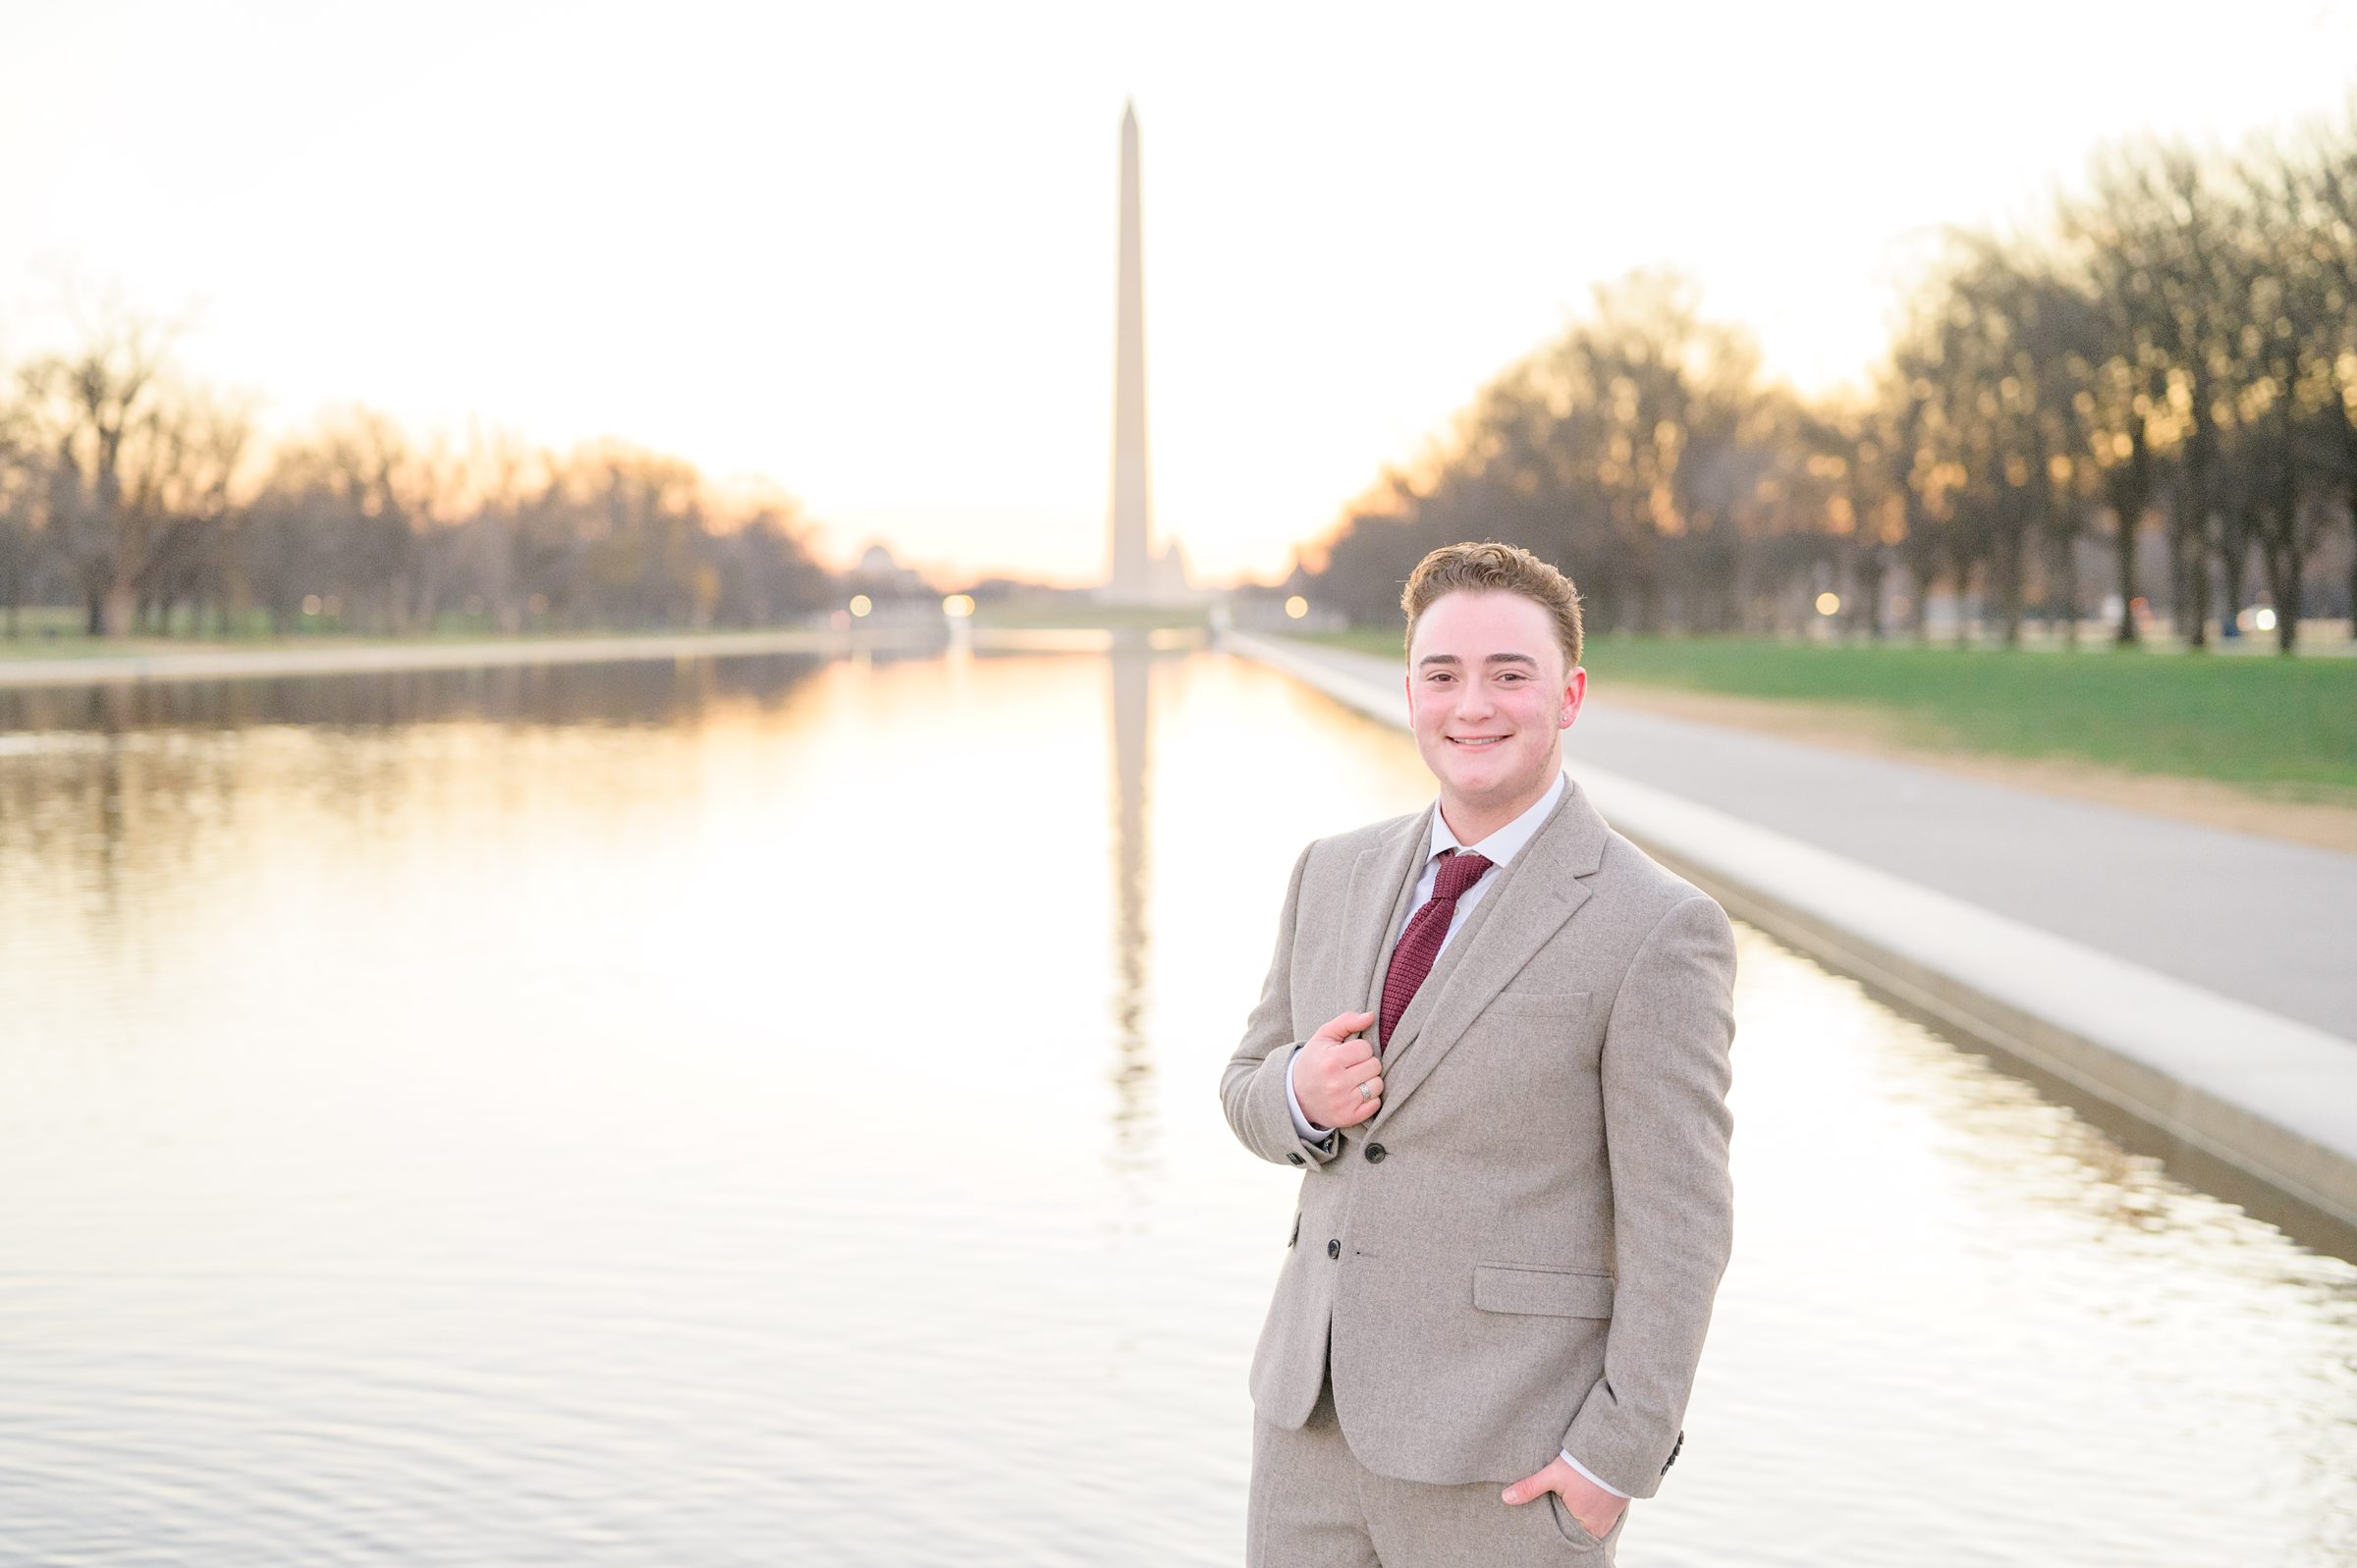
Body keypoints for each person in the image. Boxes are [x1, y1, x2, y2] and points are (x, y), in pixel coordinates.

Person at [1219, 541, 1737, 1566]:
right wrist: (1300, 1094)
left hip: (1507, 1460)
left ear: (1570, 693)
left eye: (1511, 674)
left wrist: (1612, 1461)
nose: (1474, 706)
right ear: (1408, 688)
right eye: (1443, 674)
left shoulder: (1656, 927)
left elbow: (1680, 1225)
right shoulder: (1331, 871)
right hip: (1306, 1436)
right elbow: (1245, 1086)